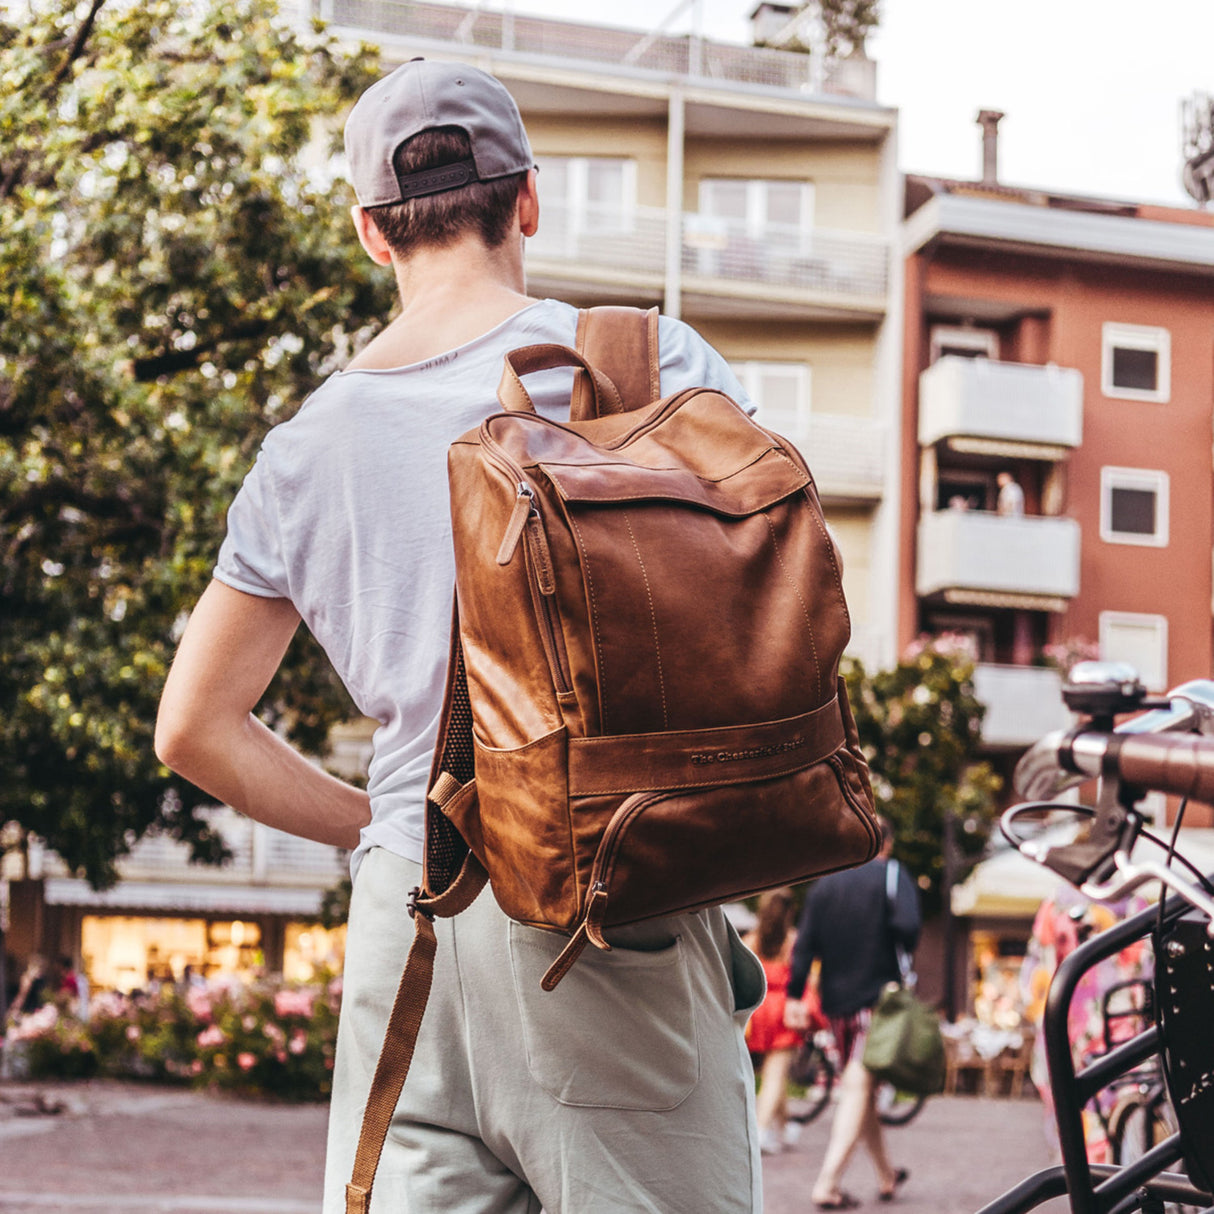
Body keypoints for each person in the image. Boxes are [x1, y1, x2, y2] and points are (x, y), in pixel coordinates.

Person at [155, 57, 767, 1214]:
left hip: (410, 913)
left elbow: (193, 727)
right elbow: (769, 619)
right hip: (600, 892)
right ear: (525, 200)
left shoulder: (302, 448)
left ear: (370, 232)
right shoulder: (640, 368)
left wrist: (389, 828)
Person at [784, 817, 919, 1210]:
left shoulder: (825, 885)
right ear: (886, 845)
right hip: (876, 1002)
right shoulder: (891, 875)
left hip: (835, 1005)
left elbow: (805, 944)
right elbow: (908, 925)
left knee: (865, 1091)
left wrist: (795, 995)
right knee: (859, 1088)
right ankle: (827, 1184)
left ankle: (885, 1175)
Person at [744, 887, 807, 1156]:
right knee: (775, 1074)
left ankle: (785, 1126)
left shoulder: (750, 941)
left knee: (774, 1073)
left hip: (758, 1010)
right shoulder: (795, 942)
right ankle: (760, 1130)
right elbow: (808, 980)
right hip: (783, 1011)